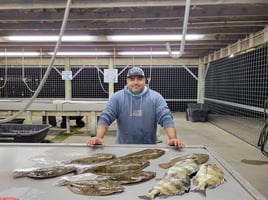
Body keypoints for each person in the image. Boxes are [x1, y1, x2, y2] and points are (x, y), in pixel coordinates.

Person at [87, 66, 184, 147]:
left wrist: (173, 139)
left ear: (145, 80)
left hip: (149, 149)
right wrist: (98, 137)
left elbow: (166, 117)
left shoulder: (156, 98)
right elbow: (106, 117)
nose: (136, 82)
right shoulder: (117, 97)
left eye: (140, 79)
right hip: (123, 148)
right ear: (127, 81)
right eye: (132, 79)